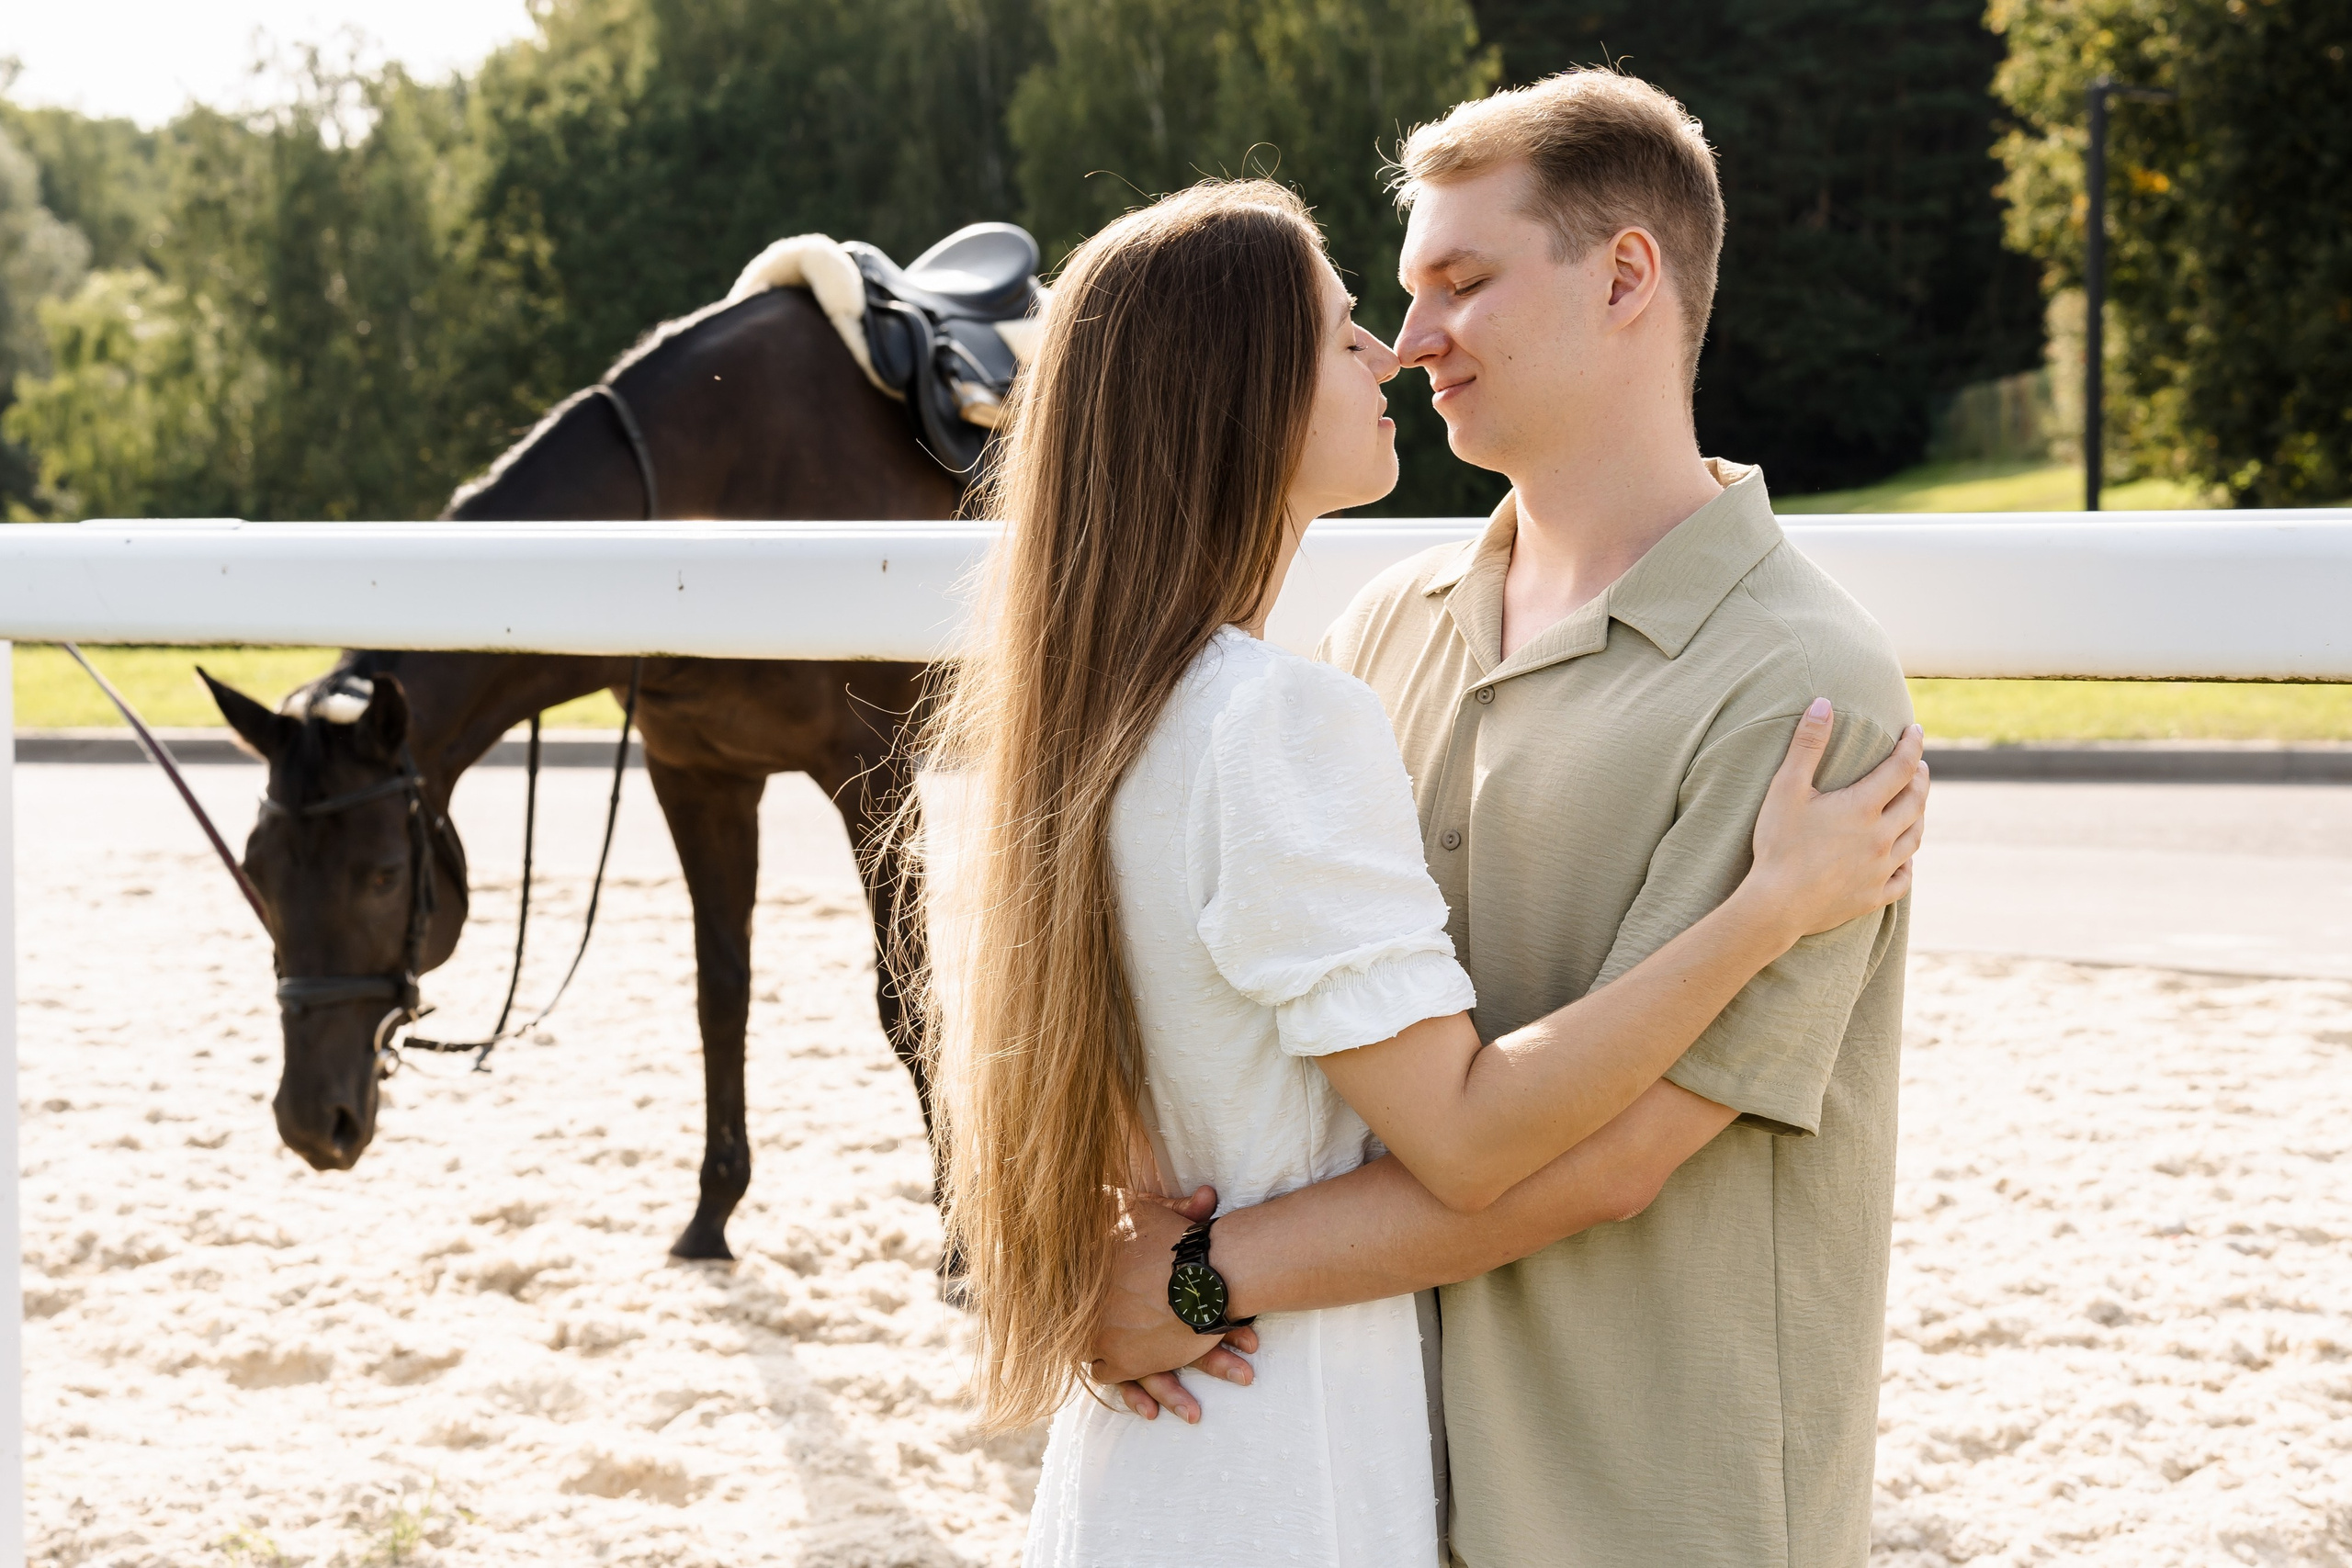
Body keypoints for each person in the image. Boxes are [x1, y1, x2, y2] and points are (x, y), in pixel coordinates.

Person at [904, 172, 1925, 1568]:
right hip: (1291, 1442)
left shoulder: (1099, 712)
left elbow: (1137, 1082)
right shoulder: (1283, 706)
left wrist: (1168, 1260)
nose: (1394, 344)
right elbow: (1466, 1133)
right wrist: (1766, 911)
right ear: (1239, 394)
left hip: (1165, 1450)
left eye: (1455, 284)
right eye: (1344, 327)